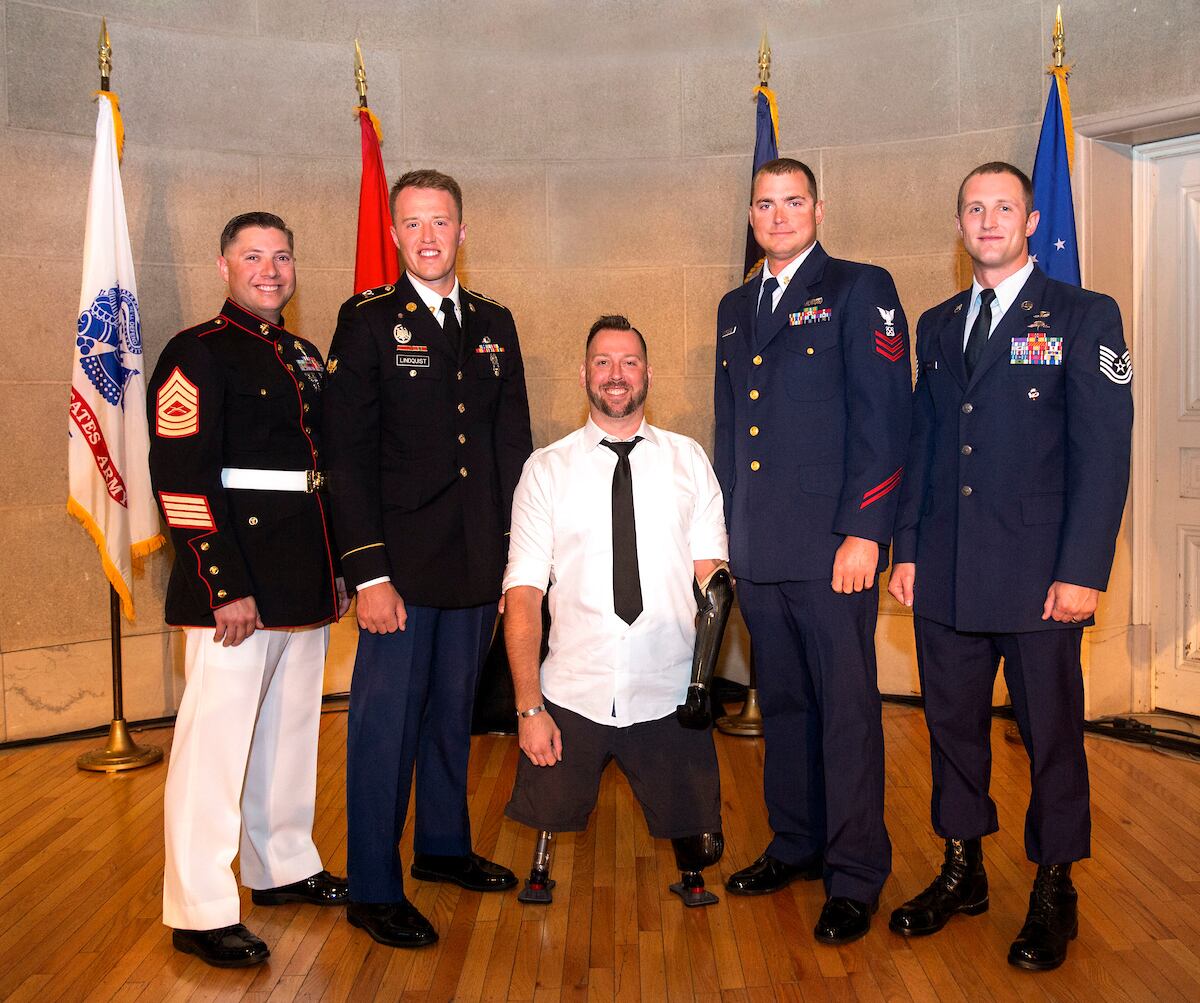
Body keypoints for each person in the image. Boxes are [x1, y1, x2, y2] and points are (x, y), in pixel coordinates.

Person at [887, 162, 1133, 971]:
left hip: (1040, 578)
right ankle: (964, 869)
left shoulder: (1083, 315)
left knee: (1051, 737)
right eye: (973, 208)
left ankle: (1054, 884)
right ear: (958, 226)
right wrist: (910, 549)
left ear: (1032, 222)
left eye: (1004, 207)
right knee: (953, 731)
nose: (987, 220)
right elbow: (926, 444)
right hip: (947, 573)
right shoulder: (937, 320)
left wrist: (1083, 569)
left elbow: (1104, 456)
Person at [323, 169, 532, 948]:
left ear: (462, 231)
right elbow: (346, 453)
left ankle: (442, 846)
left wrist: (521, 562)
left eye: (441, 222)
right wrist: (368, 572)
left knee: (453, 718)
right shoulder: (370, 320)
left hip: (477, 561)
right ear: (396, 235)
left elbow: (513, 444)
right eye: (412, 224)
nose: (429, 236)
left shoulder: (493, 322)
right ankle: (373, 885)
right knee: (385, 727)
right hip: (399, 572)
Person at [713, 158, 912, 944]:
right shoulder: (735, 305)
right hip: (761, 547)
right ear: (753, 215)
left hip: (836, 548)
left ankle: (856, 871)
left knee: (848, 712)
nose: (780, 214)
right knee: (784, 706)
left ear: (819, 208)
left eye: (794, 201)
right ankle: (794, 842)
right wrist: (725, 532)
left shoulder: (861, 288)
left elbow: (885, 418)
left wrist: (867, 530)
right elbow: (734, 427)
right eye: (766, 203)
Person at [147, 212, 349, 969]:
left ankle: (283, 864)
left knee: (290, 734)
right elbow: (183, 482)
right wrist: (222, 582)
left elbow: (319, 472)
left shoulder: (301, 355)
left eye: (282, 256)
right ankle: (198, 906)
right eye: (253, 256)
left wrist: (334, 565)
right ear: (224, 264)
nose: (271, 269)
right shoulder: (195, 352)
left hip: (301, 577)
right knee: (215, 748)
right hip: (233, 586)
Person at [503, 316, 731, 908]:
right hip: (574, 687)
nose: (616, 374)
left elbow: (714, 582)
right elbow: (523, 594)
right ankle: (542, 862)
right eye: (603, 362)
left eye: (629, 362)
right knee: (548, 802)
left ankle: (691, 865)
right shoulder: (545, 469)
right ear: (584, 374)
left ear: (648, 374)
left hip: (669, 685)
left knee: (703, 837)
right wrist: (529, 707)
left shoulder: (689, 461)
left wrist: (704, 683)